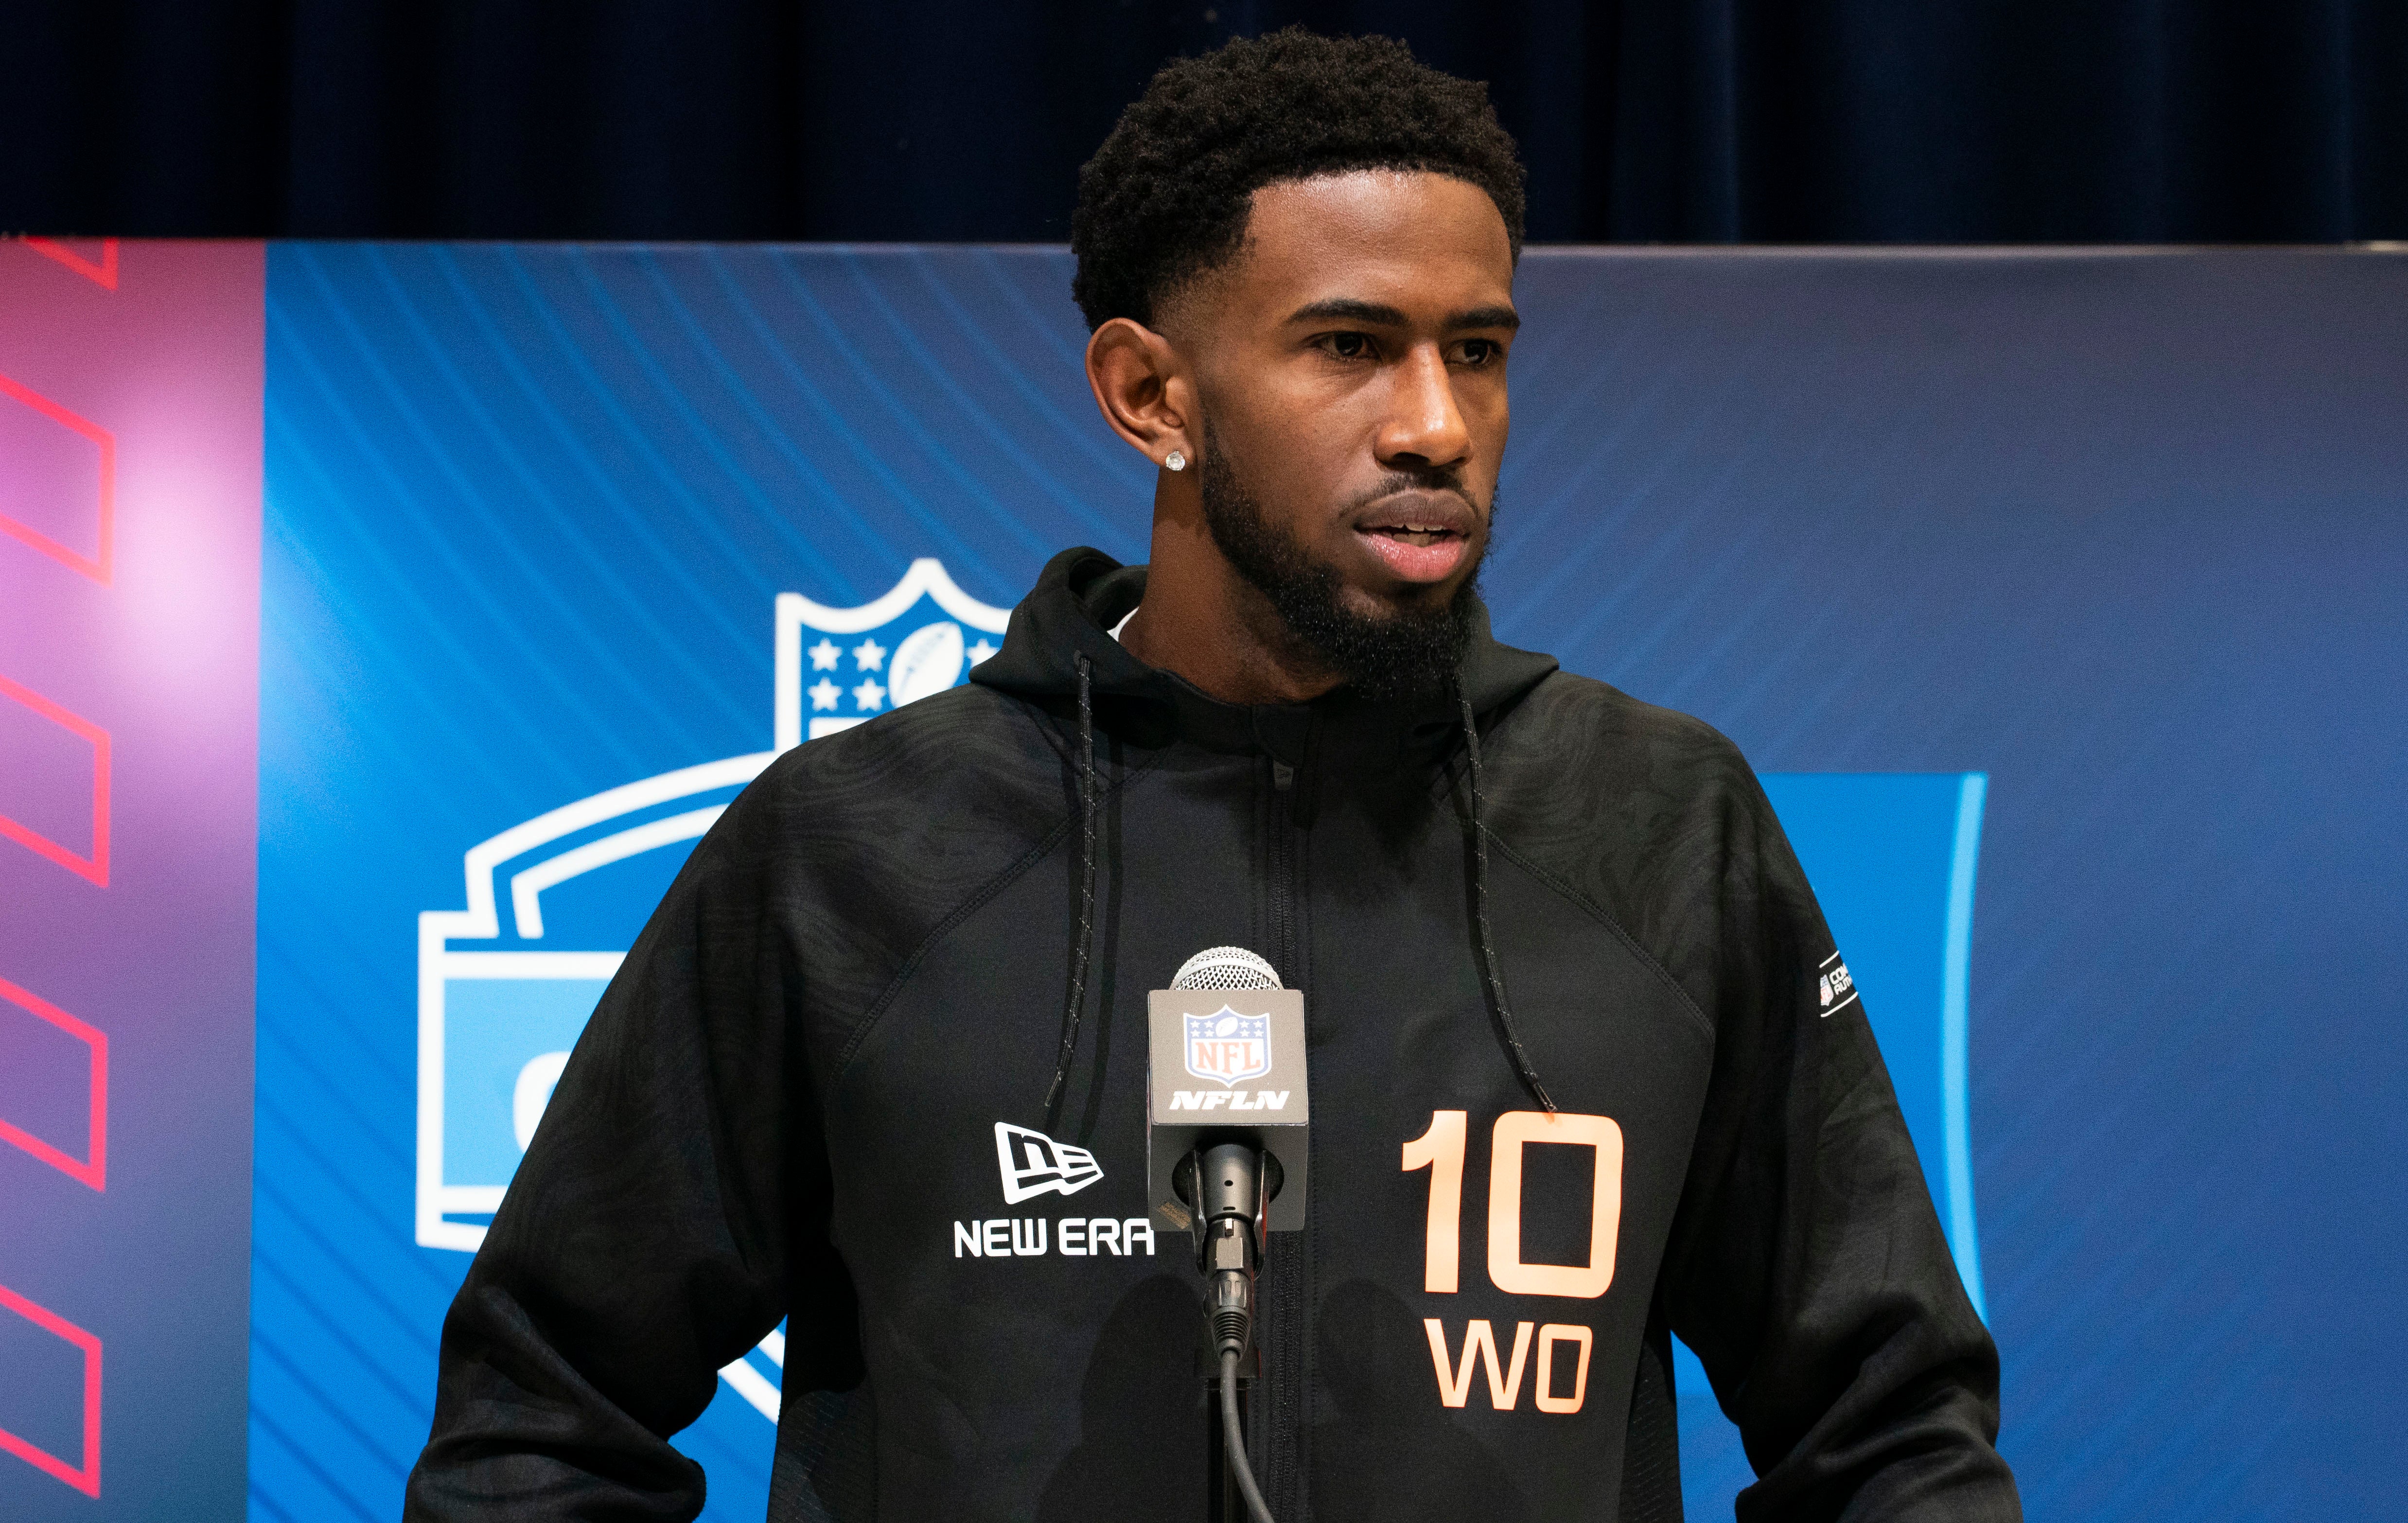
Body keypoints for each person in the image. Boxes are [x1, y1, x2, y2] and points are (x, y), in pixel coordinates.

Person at [405, 29, 2018, 1523]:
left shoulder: (1658, 822)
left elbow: (1886, 1431)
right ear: (1149, 394)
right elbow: (540, 1418)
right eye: (1350, 347)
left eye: (1478, 349)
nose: (1437, 425)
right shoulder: (852, 851)